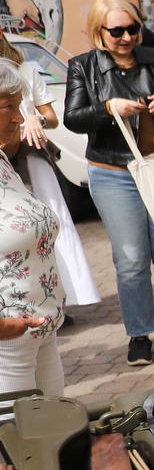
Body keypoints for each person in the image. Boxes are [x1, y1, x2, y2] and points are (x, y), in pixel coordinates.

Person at [64, 0, 154, 366]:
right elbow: (73, 118)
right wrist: (108, 108)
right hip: (113, 174)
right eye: (117, 31)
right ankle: (139, 334)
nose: (126, 37)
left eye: (133, 28)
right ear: (99, 32)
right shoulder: (83, 66)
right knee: (130, 259)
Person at [0, 35, 99, 312]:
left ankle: (62, 294)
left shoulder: (26, 70)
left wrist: (35, 119)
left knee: (48, 223)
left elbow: (52, 117)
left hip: (29, 155)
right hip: (5, 158)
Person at [0, 60, 64, 392]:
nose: (19, 117)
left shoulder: (2, 160)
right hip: (7, 344)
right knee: (16, 441)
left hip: (38, 330)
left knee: (56, 436)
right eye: (9, 106)